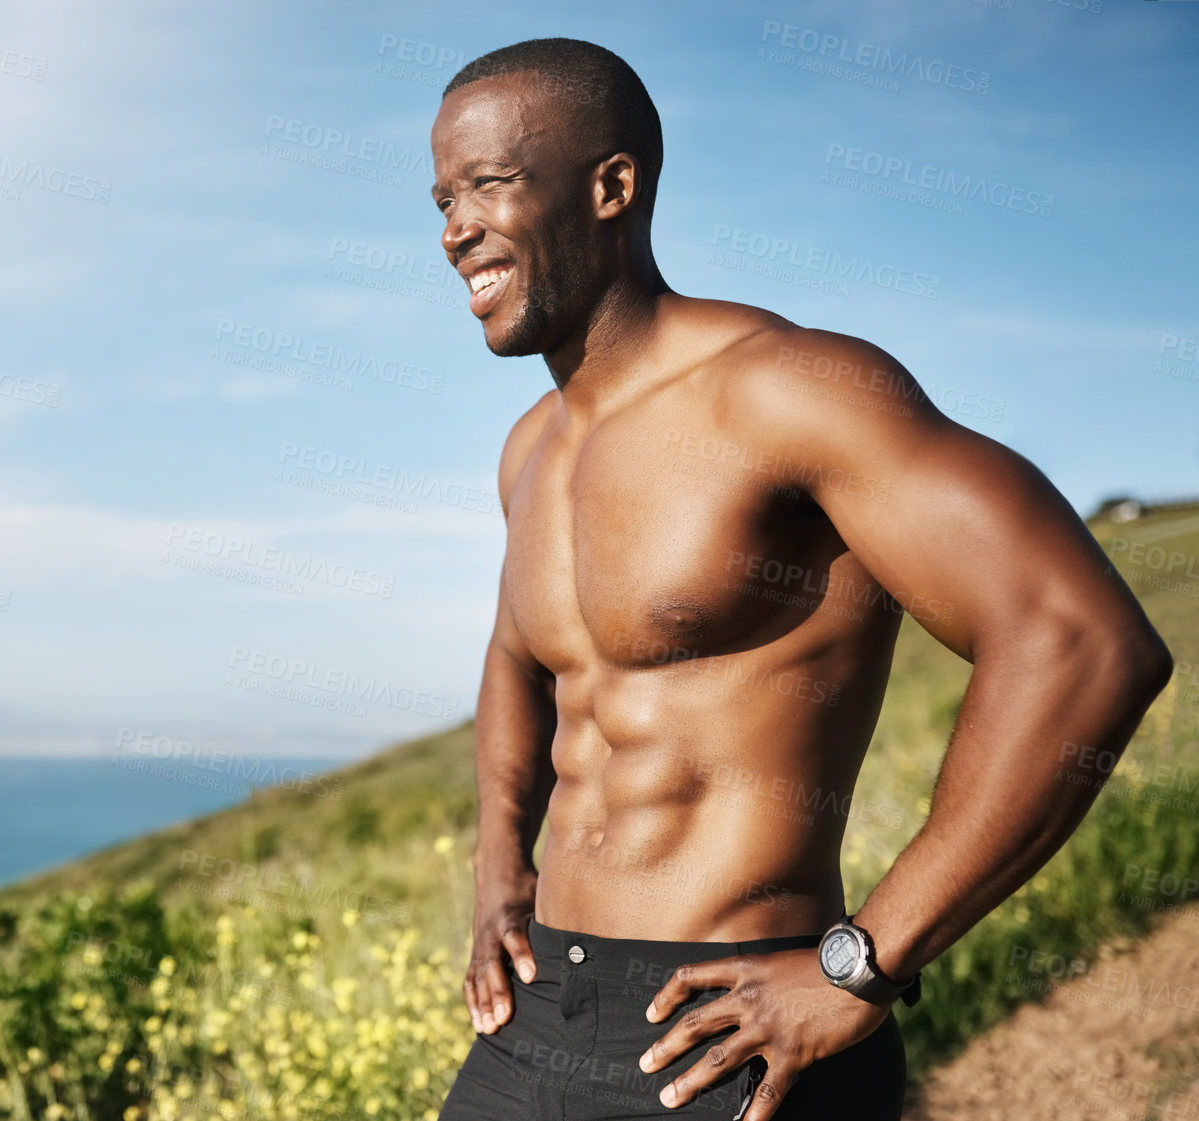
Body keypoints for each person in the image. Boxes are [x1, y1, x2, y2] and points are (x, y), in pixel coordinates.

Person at [429, 37, 1172, 1121]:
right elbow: (516, 657)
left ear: (612, 187)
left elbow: (1082, 640)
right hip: (537, 1013)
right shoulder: (531, 447)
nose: (453, 229)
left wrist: (859, 962)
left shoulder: (790, 391)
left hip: (731, 1027)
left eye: (488, 184)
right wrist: (501, 861)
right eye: (442, 197)